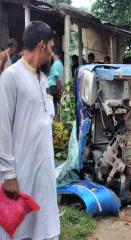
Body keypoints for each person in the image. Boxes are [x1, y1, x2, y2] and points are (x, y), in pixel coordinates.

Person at [0, 21, 60, 239]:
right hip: (21, 170)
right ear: (41, 45)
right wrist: (8, 174)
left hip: (43, 167)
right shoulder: (11, 77)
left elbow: (46, 117)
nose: (52, 53)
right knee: (19, 227)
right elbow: (3, 128)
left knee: (45, 225)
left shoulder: (43, 78)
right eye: (52, 47)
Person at [48, 47, 64, 113]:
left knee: (51, 107)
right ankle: (56, 121)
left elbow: (57, 79)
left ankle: (54, 121)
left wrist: (59, 91)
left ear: (53, 53)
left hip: (53, 87)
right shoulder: (60, 63)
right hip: (55, 87)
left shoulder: (56, 64)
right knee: (54, 107)